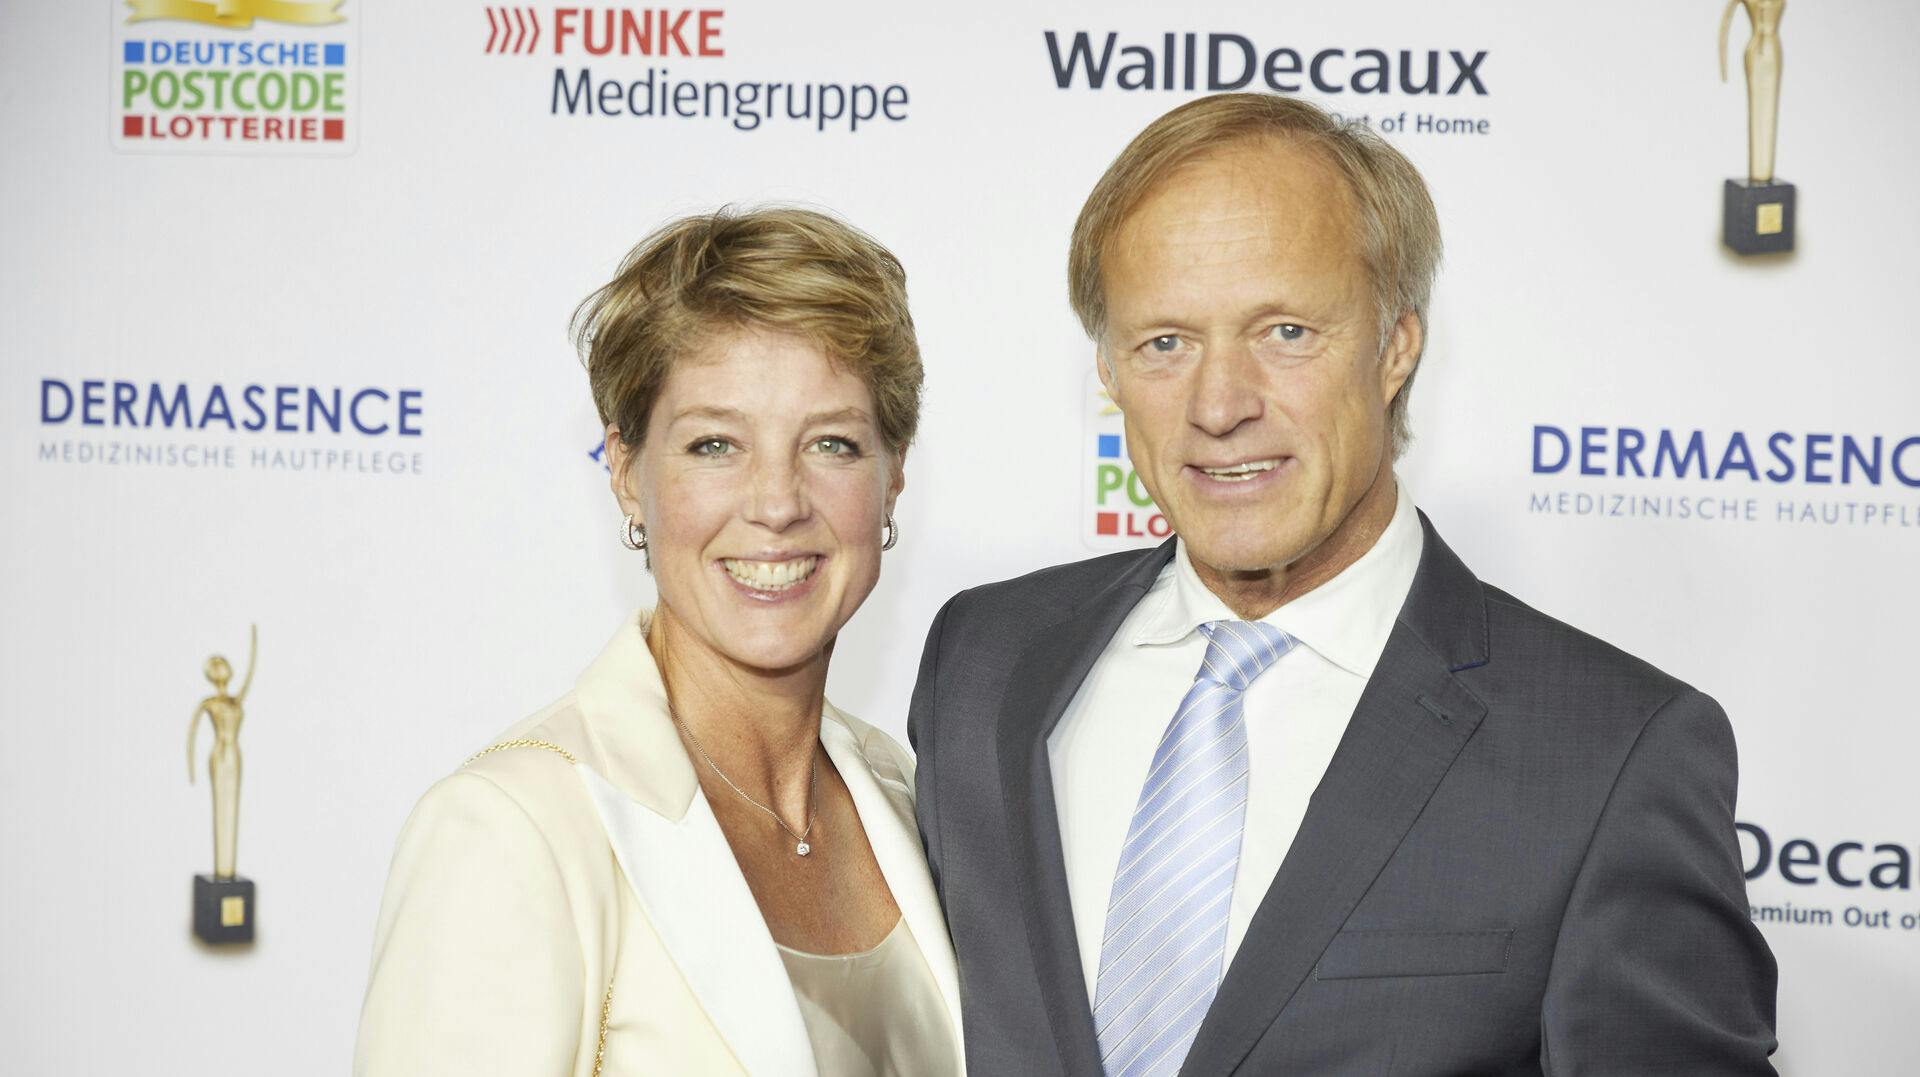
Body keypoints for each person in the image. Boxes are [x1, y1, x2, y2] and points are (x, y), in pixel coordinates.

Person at [908, 93, 1778, 1075]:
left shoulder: (1609, 756)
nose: (1221, 404)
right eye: (1165, 343)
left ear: (1397, 345)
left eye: (1284, 332)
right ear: (1107, 370)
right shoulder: (982, 660)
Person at [355, 207, 963, 1076]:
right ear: (625, 473)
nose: (777, 501)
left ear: (892, 473)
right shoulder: (514, 829)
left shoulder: (904, 796)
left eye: (831, 442)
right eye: (714, 445)